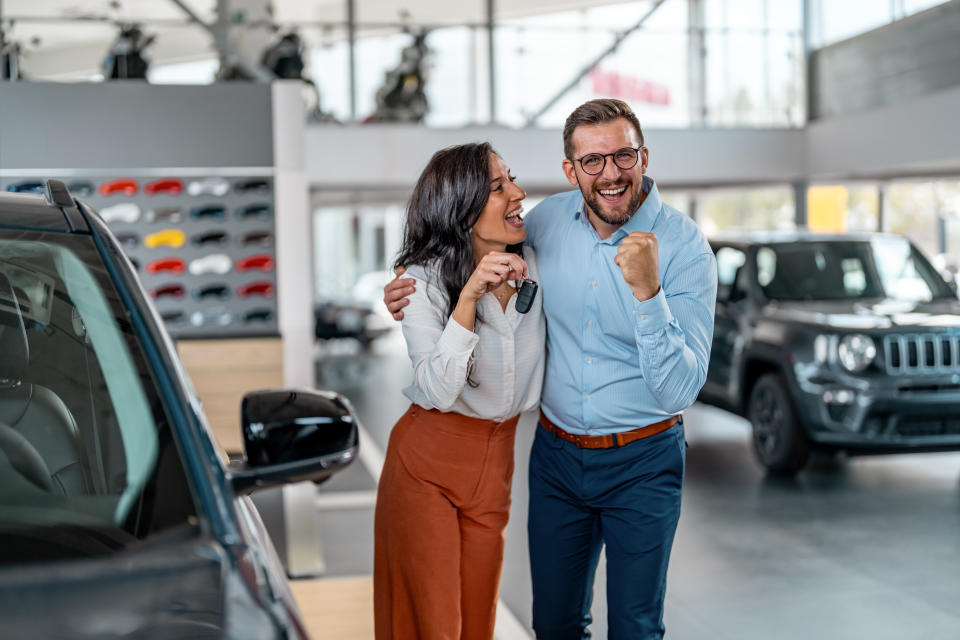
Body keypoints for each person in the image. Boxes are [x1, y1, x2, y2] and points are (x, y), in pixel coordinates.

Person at [384, 98, 717, 639]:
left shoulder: (687, 248)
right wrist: (408, 287)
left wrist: (648, 293)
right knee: (556, 624)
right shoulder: (542, 225)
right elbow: (461, 242)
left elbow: (679, 388)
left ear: (644, 156)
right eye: (593, 162)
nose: (610, 174)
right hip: (557, 458)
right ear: (571, 170)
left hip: (644, 458)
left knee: (635, 625)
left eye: (623, 156)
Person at [373, 142, 545, 640]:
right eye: (498, 186)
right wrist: (468, 297)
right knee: (433, 626)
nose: (518, 192)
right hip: (426, 466)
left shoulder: (538, 263)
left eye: (511, 179)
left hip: (497, 466)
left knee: (477, 624)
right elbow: (436, 389)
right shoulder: (422, 283)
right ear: (461, 207)